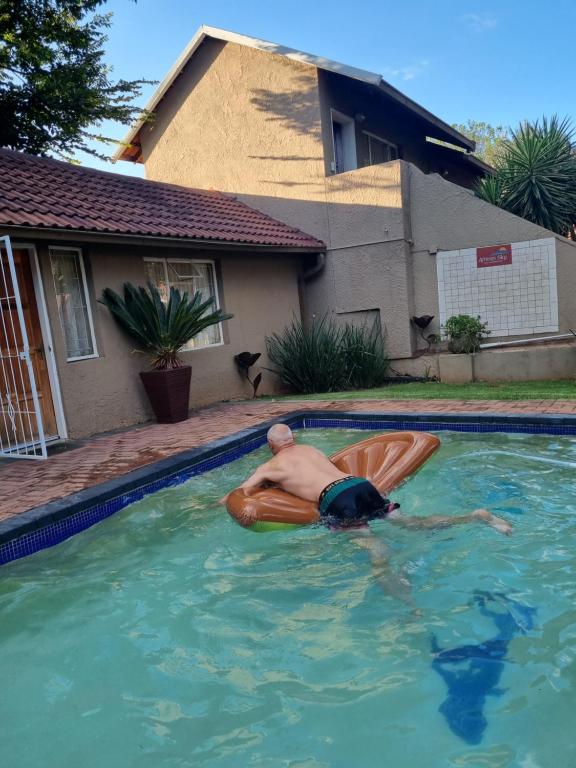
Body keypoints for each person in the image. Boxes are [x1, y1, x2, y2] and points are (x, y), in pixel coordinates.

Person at [222, 423, 512, 603]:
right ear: (292, 439)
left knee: (376, 548)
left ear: (271, 446)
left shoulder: (270, 467)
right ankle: (475, 517)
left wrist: (220, 501)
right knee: (411, 523)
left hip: (335, 498)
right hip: (360, 484)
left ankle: (407, 604)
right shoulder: (311, 450)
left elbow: (241, 493)